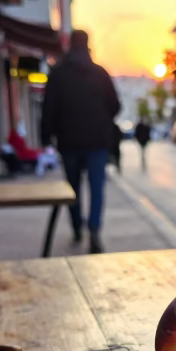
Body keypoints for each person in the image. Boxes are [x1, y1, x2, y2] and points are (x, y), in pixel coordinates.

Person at [40, 30, 121, 254]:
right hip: (98, 139)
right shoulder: (100, 73)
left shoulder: (58, 74)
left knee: (72, 189)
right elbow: (115, 105)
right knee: (96, 187)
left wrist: (47, 135)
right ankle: (94, 230)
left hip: (69, 140)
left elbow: (48, 108)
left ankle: (77, 227)